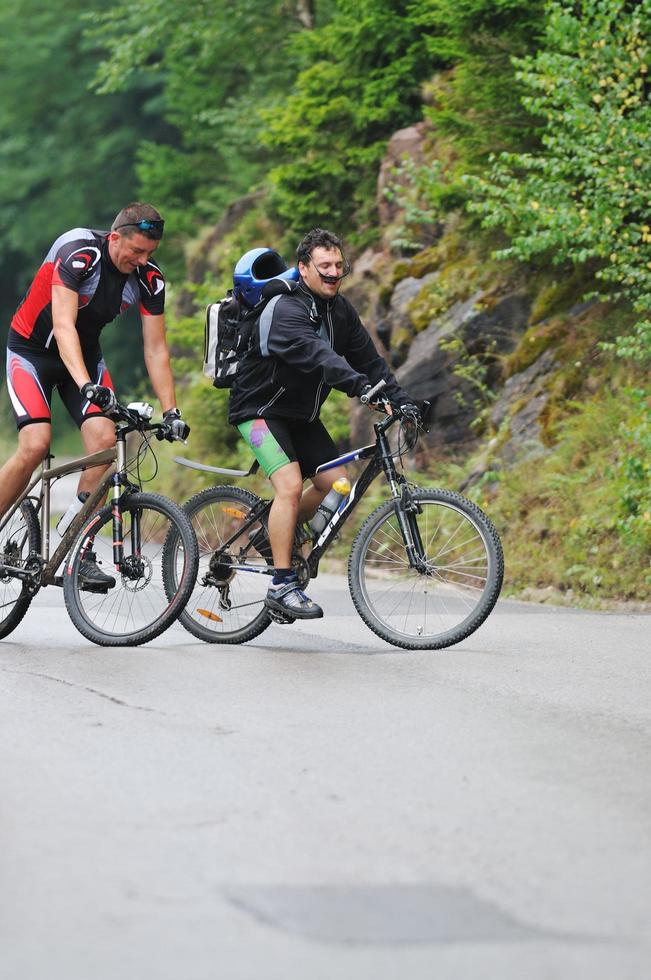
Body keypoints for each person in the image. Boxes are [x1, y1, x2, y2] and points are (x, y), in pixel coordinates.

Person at [228, 227, 420, 621]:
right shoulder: (286, 308)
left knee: (338, 484)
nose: (334, 273)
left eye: (339, 265)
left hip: (301, 416)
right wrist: (361, 389)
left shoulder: (340, 311)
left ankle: (271, 535)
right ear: (304, 268)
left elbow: (371, 361)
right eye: (324, 266)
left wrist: (401, 401)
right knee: (290, 486)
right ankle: (282, 583)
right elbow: (319, 357)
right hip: (258, 411)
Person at [0, 202, 190, 587]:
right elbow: (63, 324)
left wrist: (172, 411)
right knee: (36, 444)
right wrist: (87, 385)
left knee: (105, 442)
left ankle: (78, 547)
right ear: (115, 237)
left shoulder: (150, 279)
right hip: (32, 353)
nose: (141, 260)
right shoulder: (79, 252)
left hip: (84, 358)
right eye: (136, 251)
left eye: (150, 253)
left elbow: (155, 349)